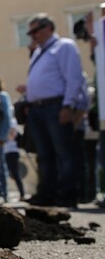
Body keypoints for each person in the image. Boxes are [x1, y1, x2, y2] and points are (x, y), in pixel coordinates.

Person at [19, 13, 85, 207]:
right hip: (38, 109)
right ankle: (46, 193)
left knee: (64, 152)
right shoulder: (39, 52)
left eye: (35, 31)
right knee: (44, 154)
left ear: (48, 27)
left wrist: (68, 106)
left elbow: (74, 78)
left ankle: (67, 195)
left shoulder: (64, 46)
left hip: (56, 106)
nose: (32, 36)